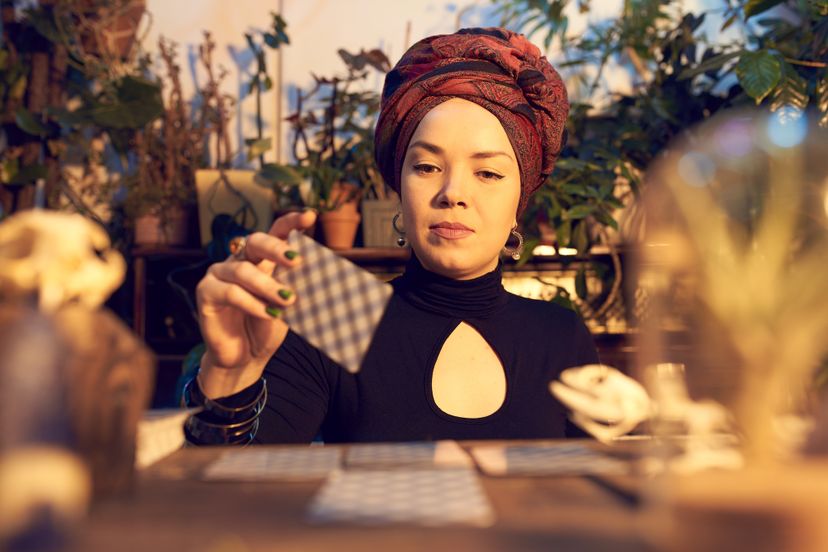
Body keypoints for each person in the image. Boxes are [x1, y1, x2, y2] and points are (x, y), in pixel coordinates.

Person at [183, 27, 599, 445]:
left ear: (519, 203)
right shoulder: (342, 311)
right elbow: (238, 499)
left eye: (488, 172)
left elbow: (598, 501)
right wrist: (228, 375)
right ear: (399, 189)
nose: (453, 193)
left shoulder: (559, 336)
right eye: (426, 167)